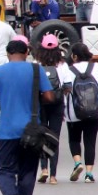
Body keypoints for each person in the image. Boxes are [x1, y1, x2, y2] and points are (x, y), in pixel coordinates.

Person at [0, 39, 55, 195]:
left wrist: (4, 97)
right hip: (31, 131)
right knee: (28, 173)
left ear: (8, 54)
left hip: (6, 132)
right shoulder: (35, 70)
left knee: (5, 171)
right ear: (26, 53)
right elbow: (49, 97)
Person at [61, 43, 98, 184]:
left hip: (74, 112)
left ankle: (77, 163)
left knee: (74, 139)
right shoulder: (96, 68)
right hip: (94, 112)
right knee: (90, 142)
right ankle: (89, 174)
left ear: (74, 56)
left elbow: (65, 89)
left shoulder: (69, 70)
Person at [35, 35, 67, 184]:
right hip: (57, 104)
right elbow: (68, 86)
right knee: (54, 137)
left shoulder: (36, 64)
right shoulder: (62, 65)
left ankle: (44, 169)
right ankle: (53, 176)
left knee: (42, 136)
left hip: (41, 103)